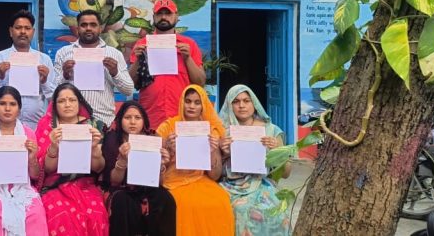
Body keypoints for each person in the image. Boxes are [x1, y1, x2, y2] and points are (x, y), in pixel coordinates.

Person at [156, 85, 235, 236]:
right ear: (182, 102)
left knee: (221, 200)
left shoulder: (210, 131)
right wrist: (167, 147)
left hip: (200, 179)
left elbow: (215, 175)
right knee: (183, 203)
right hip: (173, 180)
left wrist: (212, 150)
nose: (191, 106)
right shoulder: (168, 127)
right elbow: (153, 166)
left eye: (197, 102)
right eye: (188, 101)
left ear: (203, 106)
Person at [0, 86, 47, 236]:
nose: (7, 109)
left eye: (12, 104)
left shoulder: (28, 134)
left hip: (22, 188)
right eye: (2, 104)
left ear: (19, 109)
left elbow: (35, 176)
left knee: (35, 214)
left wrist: (32, 158)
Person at [218, 84, 292, 236]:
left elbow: (286, 173)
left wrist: (277, 151)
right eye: (236, 101)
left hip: (261, 184)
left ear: (254, 103)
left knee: (276, 212)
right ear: (229, 105)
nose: (241, 105)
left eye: (246, 100)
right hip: (230, 186)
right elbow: (213, 173)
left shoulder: (271, 130)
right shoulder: (221, 131)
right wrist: (223, 154)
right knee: (239, 209)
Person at [35, 83, 108, 235]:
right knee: (62, 215)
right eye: (61, 101)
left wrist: (94, 148)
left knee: (95, 214)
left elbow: (98, 167)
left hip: (85, 184)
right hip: (55, 185)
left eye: (72, 100)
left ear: (79, 102)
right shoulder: (48, 126)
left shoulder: (93, 126)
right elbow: (47, 169)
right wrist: (53, 147)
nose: (67, 105)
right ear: (54, 105)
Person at [100, 101, 176, 236]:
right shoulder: (112, 139)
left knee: (166, 198)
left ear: (144, 121)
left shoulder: (152, 139)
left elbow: (159, 182)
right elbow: (114, 181)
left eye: (137, 118)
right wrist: (122, 160)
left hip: (147, 188)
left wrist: (161, 166)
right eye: (127, 117)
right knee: (122, 201)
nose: (133, 122)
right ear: (120, 119)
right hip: (122, 188)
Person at [128, 0, 206, 130]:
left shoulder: (189, 45)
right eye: (159, 13)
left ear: (176, 16)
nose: (163, 17)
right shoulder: (142, 44)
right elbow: (129, 84)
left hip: (181, 116)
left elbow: (200, 82)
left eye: (168, 13)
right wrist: (137, 61)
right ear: (153, 17)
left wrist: (187, 59)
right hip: (150, 115)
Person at [52, 10, 134, 125]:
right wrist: (65, 75)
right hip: (71, 121)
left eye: (93, 25)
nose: (88, 28)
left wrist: (115, 72)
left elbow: (128, 90)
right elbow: (53, 92)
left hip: (104, 121)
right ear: (77, 28)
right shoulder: (63, 53)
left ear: (100, 28)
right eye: (84, 25)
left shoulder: (114, 54)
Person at [0, 10, 54, 129]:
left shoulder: (44, 60)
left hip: (36, 126)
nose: (23, 32)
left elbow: (54, 99)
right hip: (4, 126)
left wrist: (44, 82)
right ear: (11, 31)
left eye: (27, 28)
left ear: (33, 32)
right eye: (18, 28)